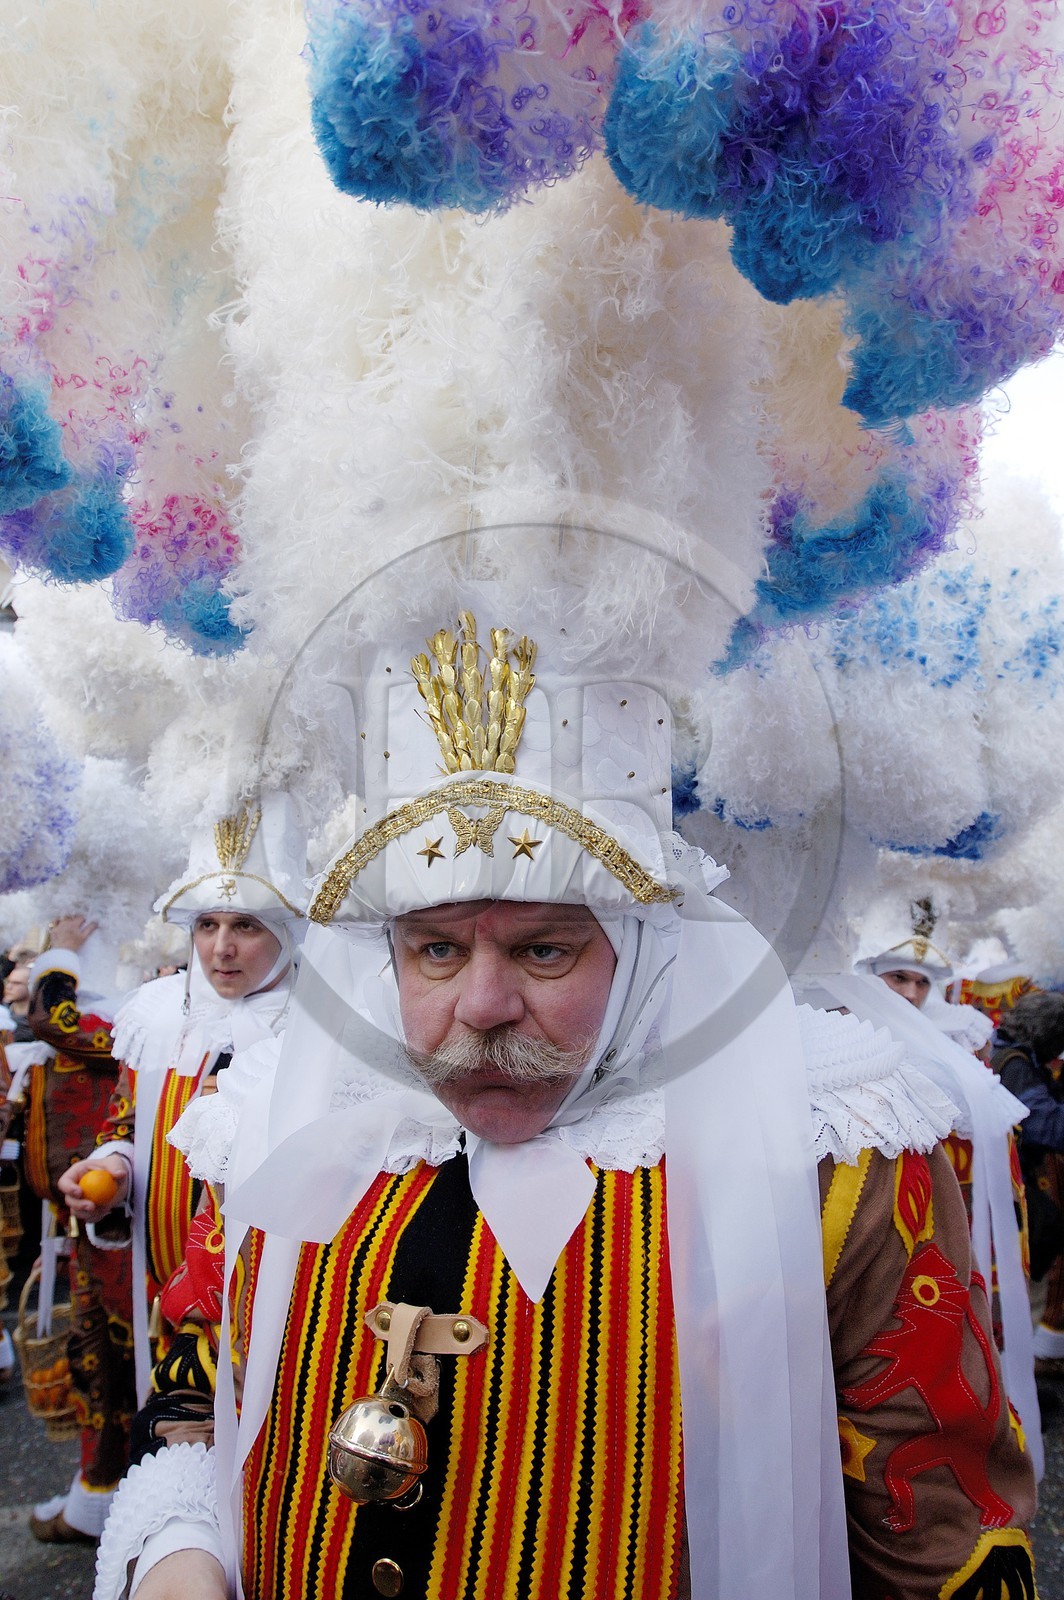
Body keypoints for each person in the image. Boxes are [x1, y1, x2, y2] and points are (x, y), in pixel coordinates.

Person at [96, 605, 1036, 1600]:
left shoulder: (823, 1157)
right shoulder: (272, 1127)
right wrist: (177, 1551)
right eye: (436, 949)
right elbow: (198, 1397)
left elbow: (938, 1540)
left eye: (545, 947)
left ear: (642, 949)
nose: (483, 1005)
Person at [57, 793, 307, 1401]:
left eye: (245, 925)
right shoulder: (160, 1017)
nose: (221, 948)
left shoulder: (314, 1033)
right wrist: (112, 1166)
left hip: (268, 1316)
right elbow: (126, 1121)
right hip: (162, 1294)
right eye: (206, 924)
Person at [23, 913, 137, 1545]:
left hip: (126, 1222)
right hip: (92, 1216)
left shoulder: (129, 1023)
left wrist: (59, 951)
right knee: (98, 1360)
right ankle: (97, 1491)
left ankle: (103, 1498)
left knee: (105, 1363)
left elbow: (51, 1018)